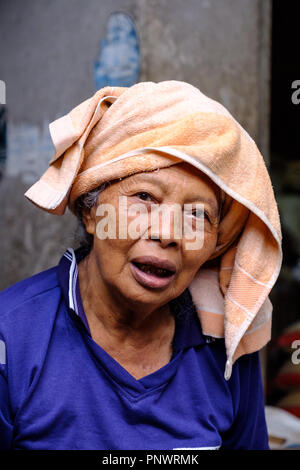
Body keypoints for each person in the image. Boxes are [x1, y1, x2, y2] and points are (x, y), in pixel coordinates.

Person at [0, 81, 282, 450]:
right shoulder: (11, 335)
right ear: (90, 212)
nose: (169, 234)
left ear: (216, 242)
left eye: (197, 214)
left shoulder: (227, 342)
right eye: (145, 197)